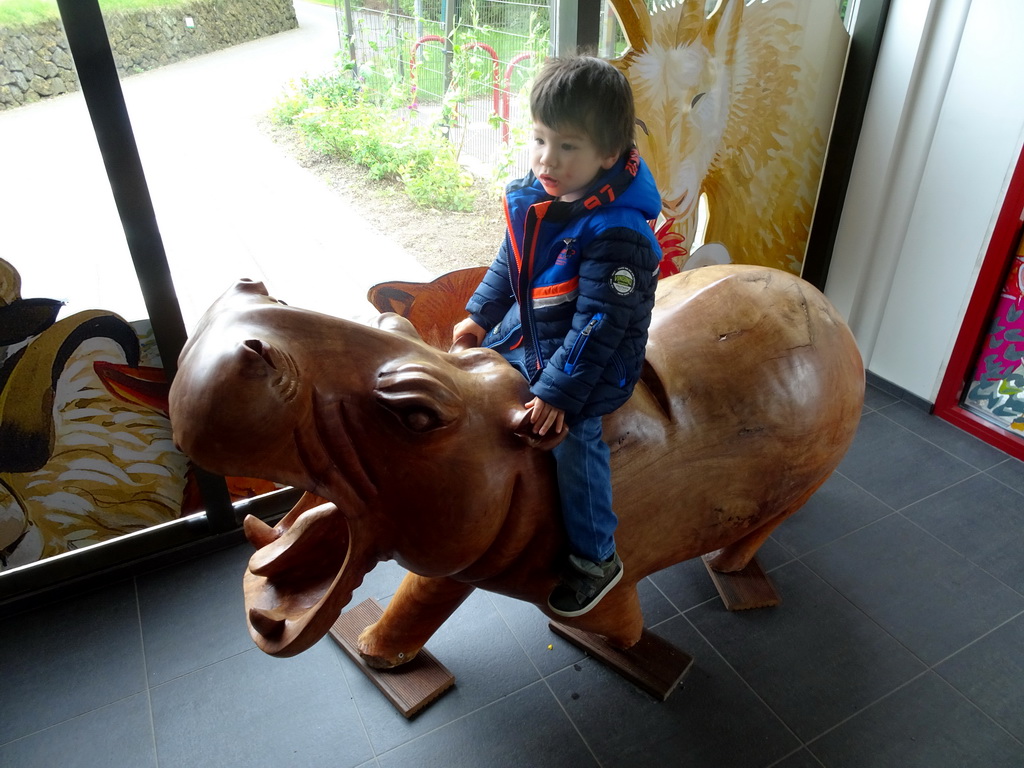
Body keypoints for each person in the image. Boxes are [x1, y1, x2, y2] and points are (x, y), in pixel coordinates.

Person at [452, 54, 663, 618]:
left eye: (567, 146)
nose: (547, 159)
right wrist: (478, 314)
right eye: (540, 139)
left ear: (608, 155)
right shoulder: (540, 194)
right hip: (536, 329)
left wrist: (556, 395)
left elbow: (599, 326)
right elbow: (511, 264)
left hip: (592, 361)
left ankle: (597, 558)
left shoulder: (621, 234)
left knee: (575, 438)